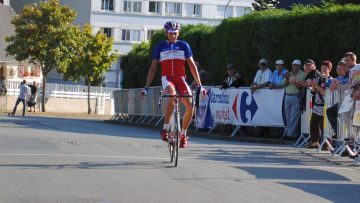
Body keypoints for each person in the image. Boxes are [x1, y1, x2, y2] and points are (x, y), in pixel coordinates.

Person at [142, 20, 205, 148]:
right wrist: (146, 87)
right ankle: (165, 129)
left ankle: (183, 134)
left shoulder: (184, 45)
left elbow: (192, 66)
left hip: (181, 79)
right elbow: (153, 68)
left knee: (190, 105)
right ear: (166, 33)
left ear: (178, 33)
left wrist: (200, 85)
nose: (173, 36)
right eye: (170, 33)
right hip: (167, 78)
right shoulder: (160, 46)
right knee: (171, 95)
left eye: (175, 33)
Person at [307, 61, 333, 148]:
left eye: (325, 68)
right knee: (313, 123)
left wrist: (317, 86)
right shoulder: (318, 79)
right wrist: (313, 85)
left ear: (329, 69)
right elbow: (313, 91)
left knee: (324, 125)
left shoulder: (330, 80)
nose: (323, 70)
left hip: (325, 105)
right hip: (317, 104)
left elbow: (325, 93)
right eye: (322, 68)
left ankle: (327, 144)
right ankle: (315, 142)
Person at [282, 60, 306, 140]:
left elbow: (301, 85)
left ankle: (290, 134)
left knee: (294, 116)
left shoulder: (303, 74)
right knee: (288, 116)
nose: (295, 67)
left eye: (297, 65)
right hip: (287, 96)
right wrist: (287, 79)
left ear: (300, 66)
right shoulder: (289, 73)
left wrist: (294, 81)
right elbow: (283, 84)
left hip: (296, 96)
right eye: (294, 65)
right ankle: (291, 132)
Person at [327, 59, 349, 139]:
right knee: (329, 111)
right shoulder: (336, 78)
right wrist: (334, 83)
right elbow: (331, 86)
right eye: (337, 68)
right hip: (341, 102)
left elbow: (343, 85)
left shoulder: (348, 77)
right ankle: (337, 131)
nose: (338, 70)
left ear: (345, 69)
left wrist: (336, 83)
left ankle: (349, 137)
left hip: (348, 102)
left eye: (340, 68)